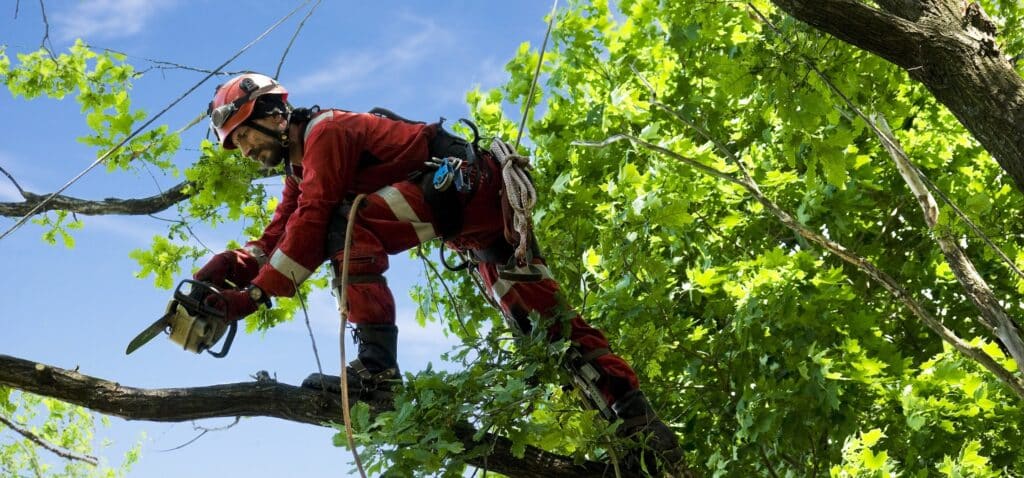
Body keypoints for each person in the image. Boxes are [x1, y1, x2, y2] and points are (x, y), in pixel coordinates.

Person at [197, 72, 686, 473]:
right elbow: (277, 236)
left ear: (274, 116)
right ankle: (639, 431)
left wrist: (254, 298)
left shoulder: (327, 133)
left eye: (244, 135)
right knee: (542, 329)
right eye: (235, 143)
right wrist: (230, 268)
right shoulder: (299, 170)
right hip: (475, 220)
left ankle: (376, 369)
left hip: (466, 191)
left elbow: (313, 218)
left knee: (345, 223)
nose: (243, 151)